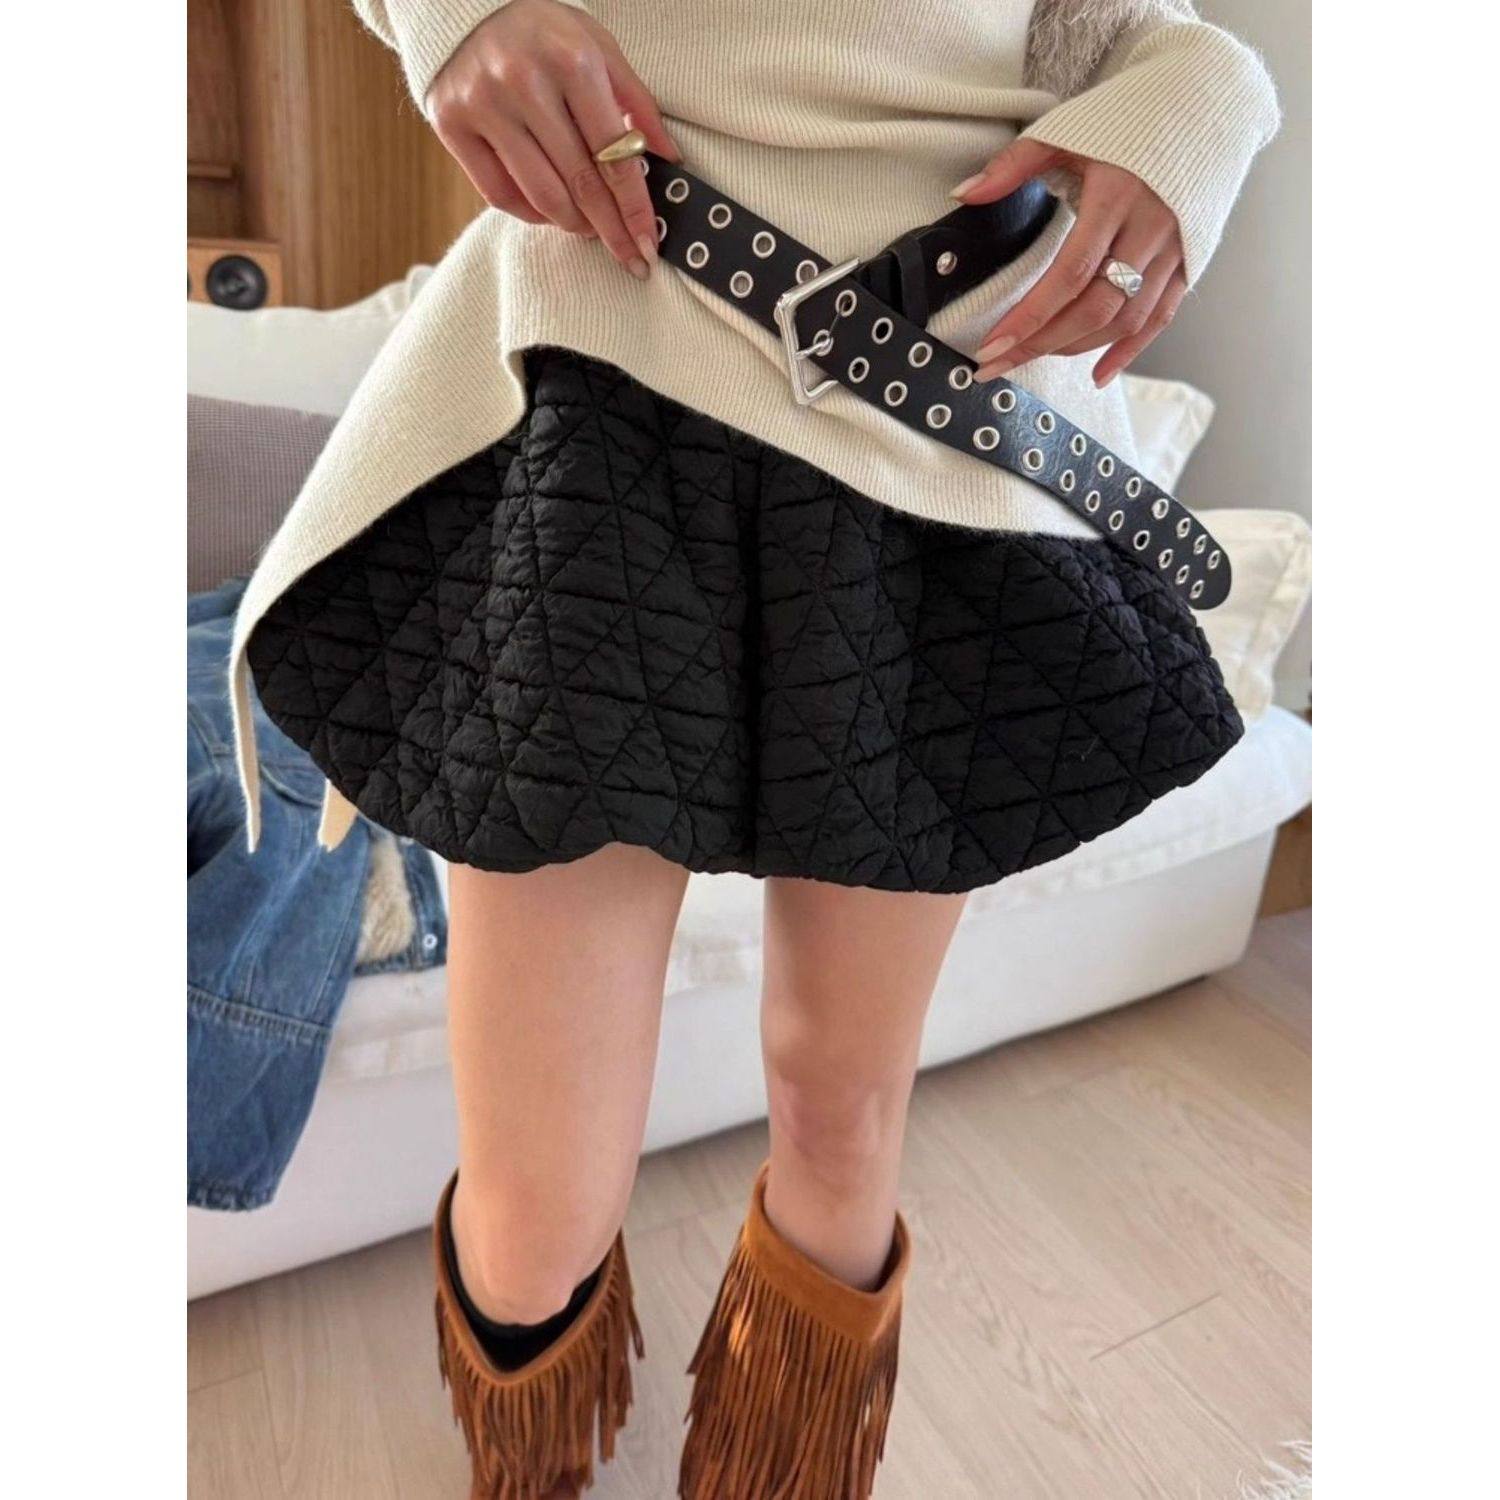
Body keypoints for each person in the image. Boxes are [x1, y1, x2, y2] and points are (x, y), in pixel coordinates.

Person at [233, 2, 1279, 1494]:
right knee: (538, 1208)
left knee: (843, 1130)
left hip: (934, 450)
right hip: (602, 385)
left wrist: (1197, 121)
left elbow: (1145, 35)